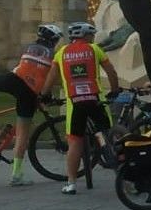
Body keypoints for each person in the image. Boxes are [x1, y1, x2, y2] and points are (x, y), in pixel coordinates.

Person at [0, 24, 65, 186]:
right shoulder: (53, 55)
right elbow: (46, 80)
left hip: (14, 80)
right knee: (23, 134)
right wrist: (45, 97)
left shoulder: (29, 48)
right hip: (30, 92)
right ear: (54, 40)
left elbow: (25, 68)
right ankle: (16, 174)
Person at [40, 22, 120, 195]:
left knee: (74, 142)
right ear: (86, 35)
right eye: (91, 35)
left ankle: (71, 183)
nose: (92, 37)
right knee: (105, 135)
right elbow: (111, 71)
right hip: (95, 99)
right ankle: (122, 177)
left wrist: (45, 95)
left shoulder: (61, 53)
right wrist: (114, 91)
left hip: (74, 102)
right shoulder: (94, 49)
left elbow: (51, 77)